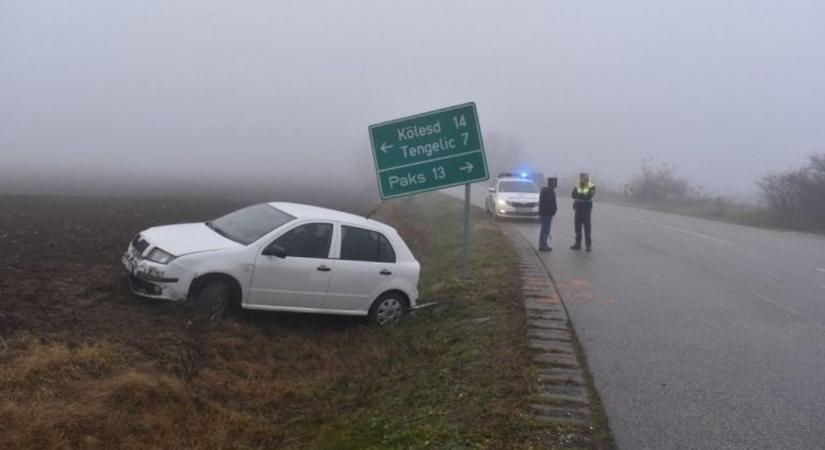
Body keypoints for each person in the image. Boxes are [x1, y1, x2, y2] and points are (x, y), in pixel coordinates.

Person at [571, 172, 596, 251]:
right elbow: (573, 195)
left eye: (583, 177)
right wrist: (580, 194)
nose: (582, 178)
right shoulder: (577, 185)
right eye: (581, 177)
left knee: (587, 227)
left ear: (587, 178)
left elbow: (589, 195)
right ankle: (577, 244)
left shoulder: (591, 186)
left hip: (586, 208)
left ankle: (588, 245)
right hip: (578, 208)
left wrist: (579, 194)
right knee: (577, 227)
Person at [538, 177, 557, 251]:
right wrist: (553, 211)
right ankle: (542, 245)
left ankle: (544, 244)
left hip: (546, 213)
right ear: (551, 183)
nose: (556, 185)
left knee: (546, 229)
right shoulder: (548, 191)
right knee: (545, 229)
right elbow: (549, 204)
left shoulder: (547, 190)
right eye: (555, 183)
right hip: (546, 214)